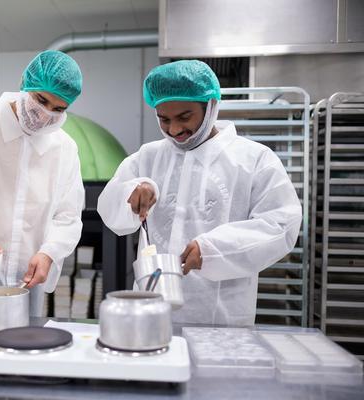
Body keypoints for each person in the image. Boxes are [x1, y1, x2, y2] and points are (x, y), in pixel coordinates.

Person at [98, 60, 302, 326]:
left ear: (211, 108)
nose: (174, 130)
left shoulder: (253, 159)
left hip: (222, 319)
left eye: (184, 117)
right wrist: (132, 193)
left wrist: (213, 249)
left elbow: (281, 225)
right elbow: (110, 211)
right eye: (164, 119)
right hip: (153, 314)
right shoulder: (148, 158)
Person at [0, 50, 84, 316]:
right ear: (25, 85)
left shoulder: (64, 148)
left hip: (24, 285)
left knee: (16, 348)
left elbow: (68, 216)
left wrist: (49, 252)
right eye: (41, 100)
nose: (45, 115)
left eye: (58, 109)